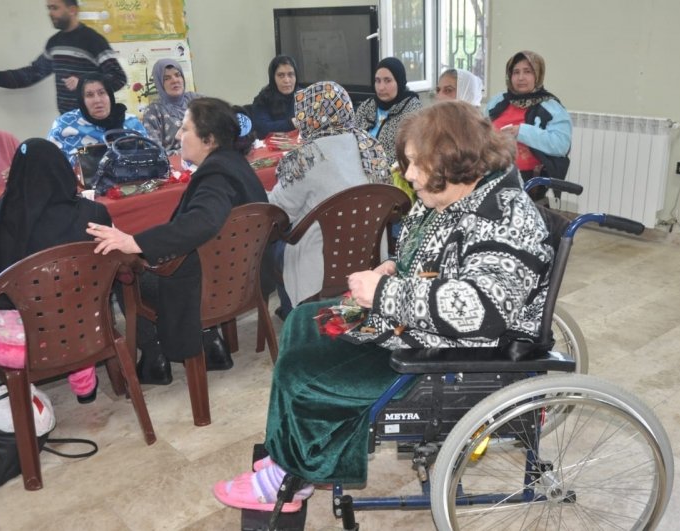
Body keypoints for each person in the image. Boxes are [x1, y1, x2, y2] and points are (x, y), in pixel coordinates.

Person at [212, 101, 554, 512]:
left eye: (417, 163)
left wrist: (384, 294)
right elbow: (428, 254)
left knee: (305, 375)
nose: (407, 174)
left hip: (453, 354)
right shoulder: (454, 195)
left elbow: (480, 310)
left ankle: (291, 479)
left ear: (453, 160)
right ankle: (292, 451)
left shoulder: (504, 218)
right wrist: (395, 266)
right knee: (303, 320)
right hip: (417, 325)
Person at [86, 98, 266, 384]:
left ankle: (154, 355)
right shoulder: (236, 164)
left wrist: (135, 243)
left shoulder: (216, 176)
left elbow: (203, 220)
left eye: (185, 129)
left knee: (125, 271)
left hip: (207, 290)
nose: (178, 136)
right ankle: (211, 343)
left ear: (208, 139)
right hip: (242, 278)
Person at [0, 138, 112, 403]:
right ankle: (84, 386)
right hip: (84, 333)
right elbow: (112, 268)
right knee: (76, 305)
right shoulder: (95, 214)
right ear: (63, 171)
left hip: (12, 345)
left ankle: (22, 398)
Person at [269, 81, 389, 318]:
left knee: (274, 245)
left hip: (320, 267)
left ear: (310, 115)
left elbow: (278, 211)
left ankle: (294, 315)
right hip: (372, 255)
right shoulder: (371, 146)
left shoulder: (305, 157)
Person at [0, 0, 127, 115]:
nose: (50, 13)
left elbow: (119, 78)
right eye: (49, 8)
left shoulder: (93, 40)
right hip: (68, 122)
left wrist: (84, 83)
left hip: (96, 122)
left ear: (72, 10)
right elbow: (32, 74)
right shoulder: (55, 43)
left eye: (55, 8)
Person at [487, 50, 571, 201]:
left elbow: (561, 145)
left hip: (529, 182)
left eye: (527, 71)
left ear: (538, 75)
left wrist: (521, 132)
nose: (521, 78)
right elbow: (481, 131)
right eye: (516, 72)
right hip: (491, 174)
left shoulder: (551, 107)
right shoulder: (498, 101)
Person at [47, 73, 148, 165]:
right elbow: (51, 165)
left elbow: (150, 158)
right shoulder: (65, 124)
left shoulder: (131, 122)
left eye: (102, 93)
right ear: (82, 100)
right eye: (89, 95)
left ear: (110, 95)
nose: (97, 100)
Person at [355, 57, 423, 166]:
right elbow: (352, 137)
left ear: (399, 81)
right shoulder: (367, 105)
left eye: (388, 80)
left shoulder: (412, 110)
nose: (381, 87)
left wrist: (375, 166)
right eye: (378, 81)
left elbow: (406, 153)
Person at [141, 59, 201, 155]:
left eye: (177, 75)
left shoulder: (197, 100)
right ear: (159, 83)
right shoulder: (153, 110)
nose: (175, 80)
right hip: (174, 162)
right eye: (167, 78)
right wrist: (188, 153)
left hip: (208, 158)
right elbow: (156, 153)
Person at [251, 56, 299, 139]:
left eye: (290, 74)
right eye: (281, 75)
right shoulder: (263, 99)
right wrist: (291, 123)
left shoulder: (305, 96)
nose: (287, 80)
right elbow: (262, 128)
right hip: (272, 145)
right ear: (273, 78)